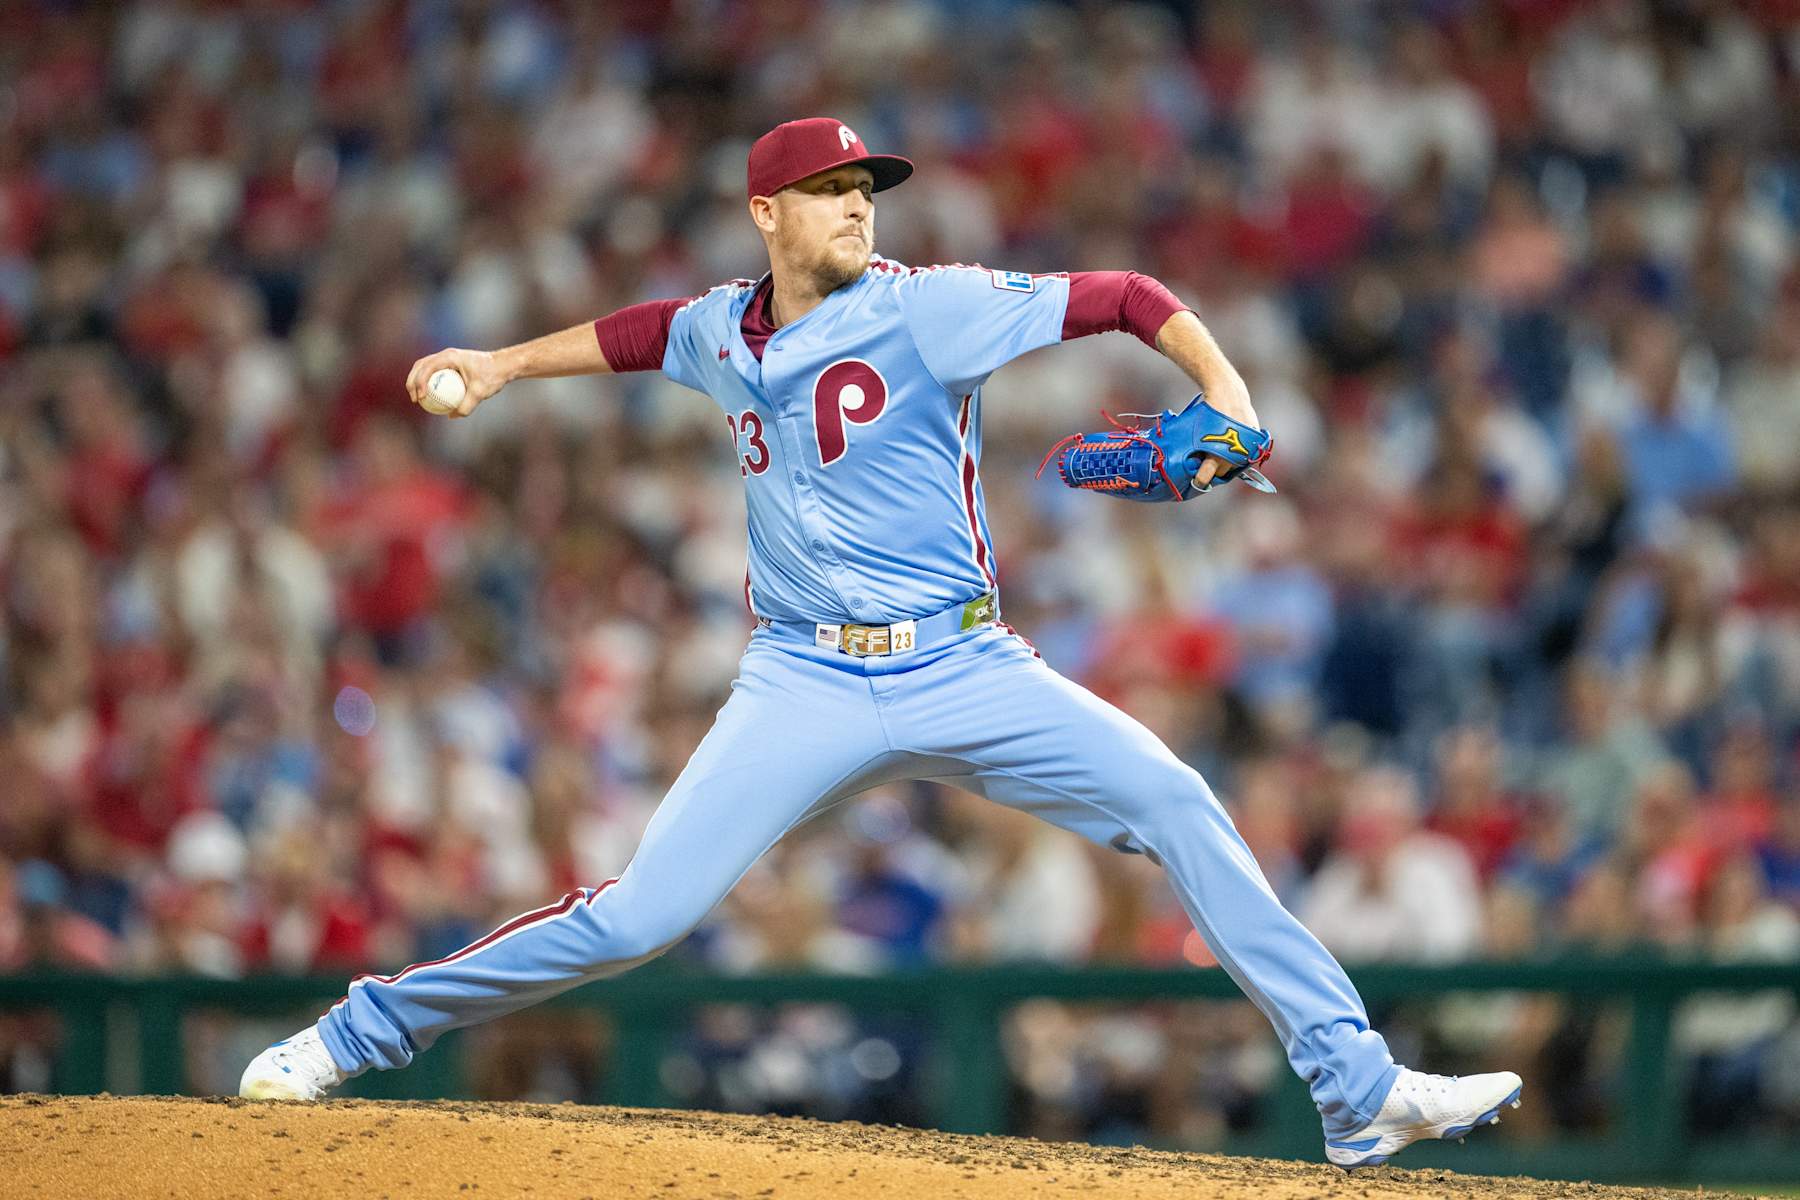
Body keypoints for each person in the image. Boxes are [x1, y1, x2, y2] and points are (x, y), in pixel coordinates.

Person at [239, 117, 1519, 1169]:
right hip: (801, 674)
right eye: (829, 190)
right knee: (638, 919)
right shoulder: (718, 329)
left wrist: (1226, 394)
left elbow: (1126, 295)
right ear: (766, 216)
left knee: (1179, 802)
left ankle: (1359, 1093)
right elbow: (640, 334)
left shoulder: (933, 308)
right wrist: (506, 366)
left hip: (966, 665)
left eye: (866, 188)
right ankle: (353, 1039)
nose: (857, 208)